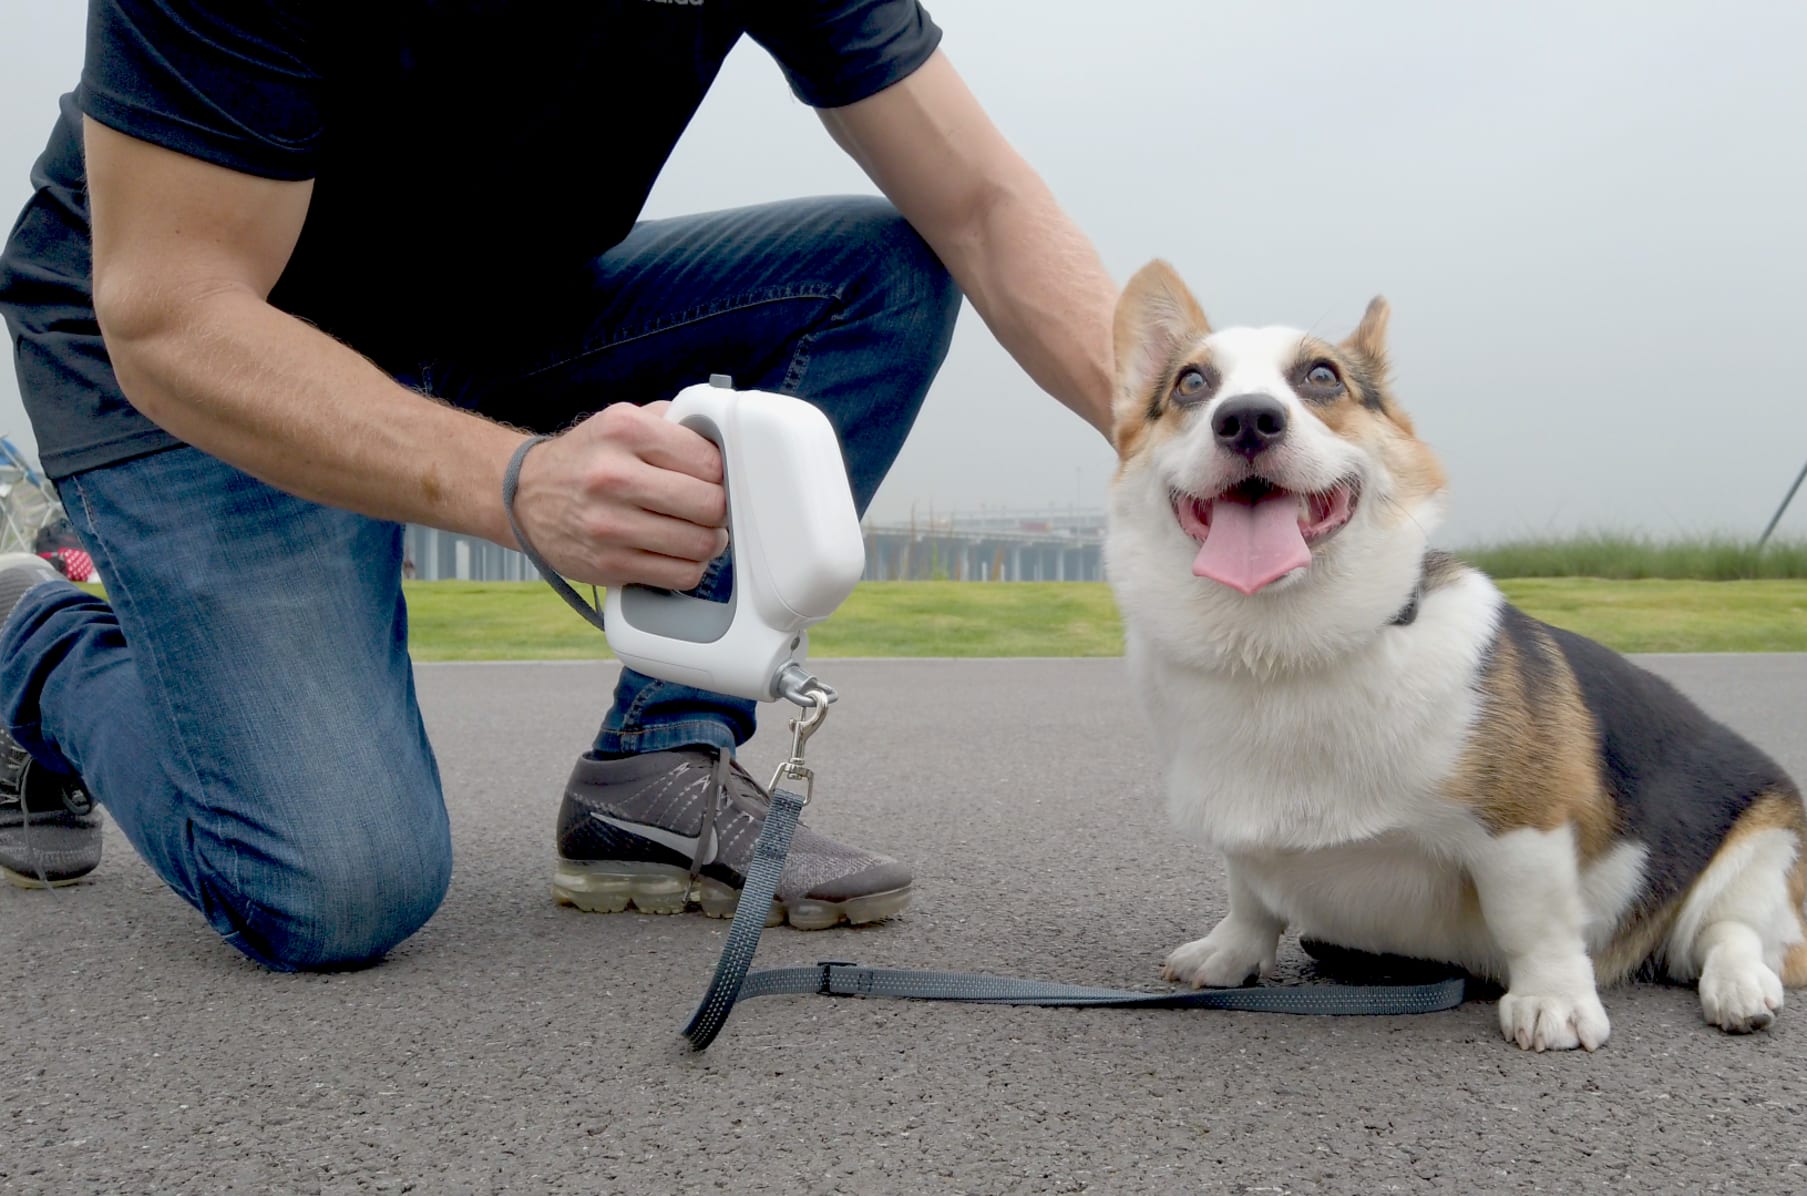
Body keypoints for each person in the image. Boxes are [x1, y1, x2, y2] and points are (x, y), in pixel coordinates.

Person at [0, 2, 1116, 969]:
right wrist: (513, 479)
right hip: (200, 343)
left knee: (883, 271)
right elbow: (171, 312)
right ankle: (36, 638)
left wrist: (1212, 454)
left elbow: (980, 207)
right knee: (336, 889)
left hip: (485, 309)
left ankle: (659, 763)